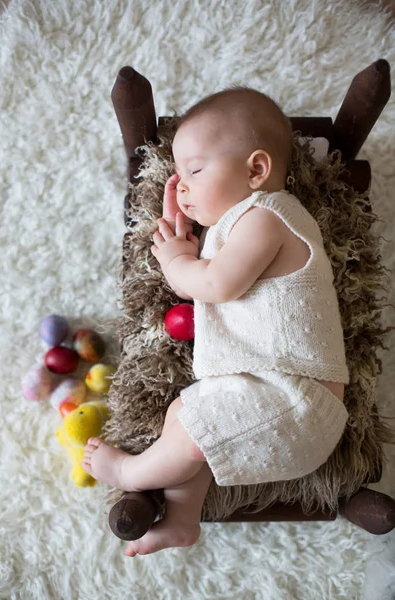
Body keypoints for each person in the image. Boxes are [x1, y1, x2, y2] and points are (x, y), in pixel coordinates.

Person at [82, 86, 349, 557]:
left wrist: (174, 261)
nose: (181, 185)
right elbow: (201, 282)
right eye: (179, 175)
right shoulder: (236, 228)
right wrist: (187, 249)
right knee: (186, 415)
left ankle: (131, 473)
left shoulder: (270, 216)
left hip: (298, 400)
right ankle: (184, 520)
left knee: (192, 431)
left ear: (256, 170)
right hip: (267, 392)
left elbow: (217, 285)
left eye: (195, 171)